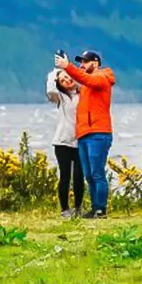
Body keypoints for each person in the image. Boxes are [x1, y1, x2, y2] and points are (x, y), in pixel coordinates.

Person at [54, 49, 116, 218]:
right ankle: (95, 207)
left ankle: (101, 209)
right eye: (80, 62)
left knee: (97, 173)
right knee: (89, 175)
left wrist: (68, 66)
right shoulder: (84, 85)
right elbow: (69, 80)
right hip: (84, 133)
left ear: (95, 63)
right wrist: (62, 65)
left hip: (98, 132)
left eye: (85, 61)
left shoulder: (102, 77)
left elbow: (85, 78)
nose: (82, 65)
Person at [45, 68, 84, 217]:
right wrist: (54, 73)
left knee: (79, 176)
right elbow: (50, 90)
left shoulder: (83, 93)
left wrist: (68, 69)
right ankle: (64, 209)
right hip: (62, 142)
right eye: (62, 80)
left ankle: (78, 208)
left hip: (81, 141)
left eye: (67, 77)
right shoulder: (60, 97)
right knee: (65, 175)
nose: (67, 80)